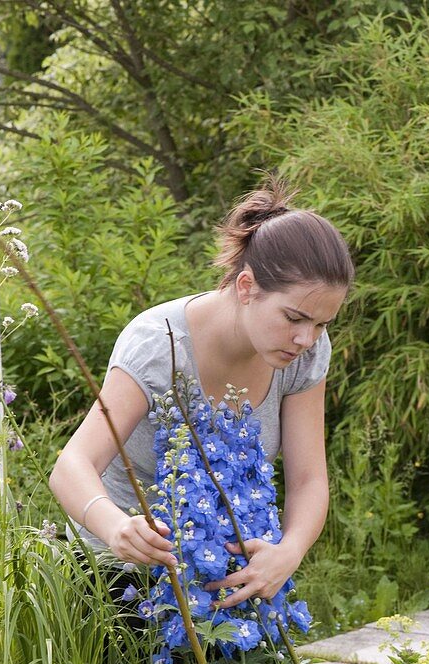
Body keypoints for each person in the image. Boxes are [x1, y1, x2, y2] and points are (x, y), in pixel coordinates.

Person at [49, 179, 354, 610]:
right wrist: (117, 527)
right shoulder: (161, 344)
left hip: (232, 582)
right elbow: (71, 466)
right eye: (294, 318)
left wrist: (289, 552)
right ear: (246, 287)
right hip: (120, 580)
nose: (307, 338)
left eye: (322, 324)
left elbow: (308, 479)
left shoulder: (303, 353)